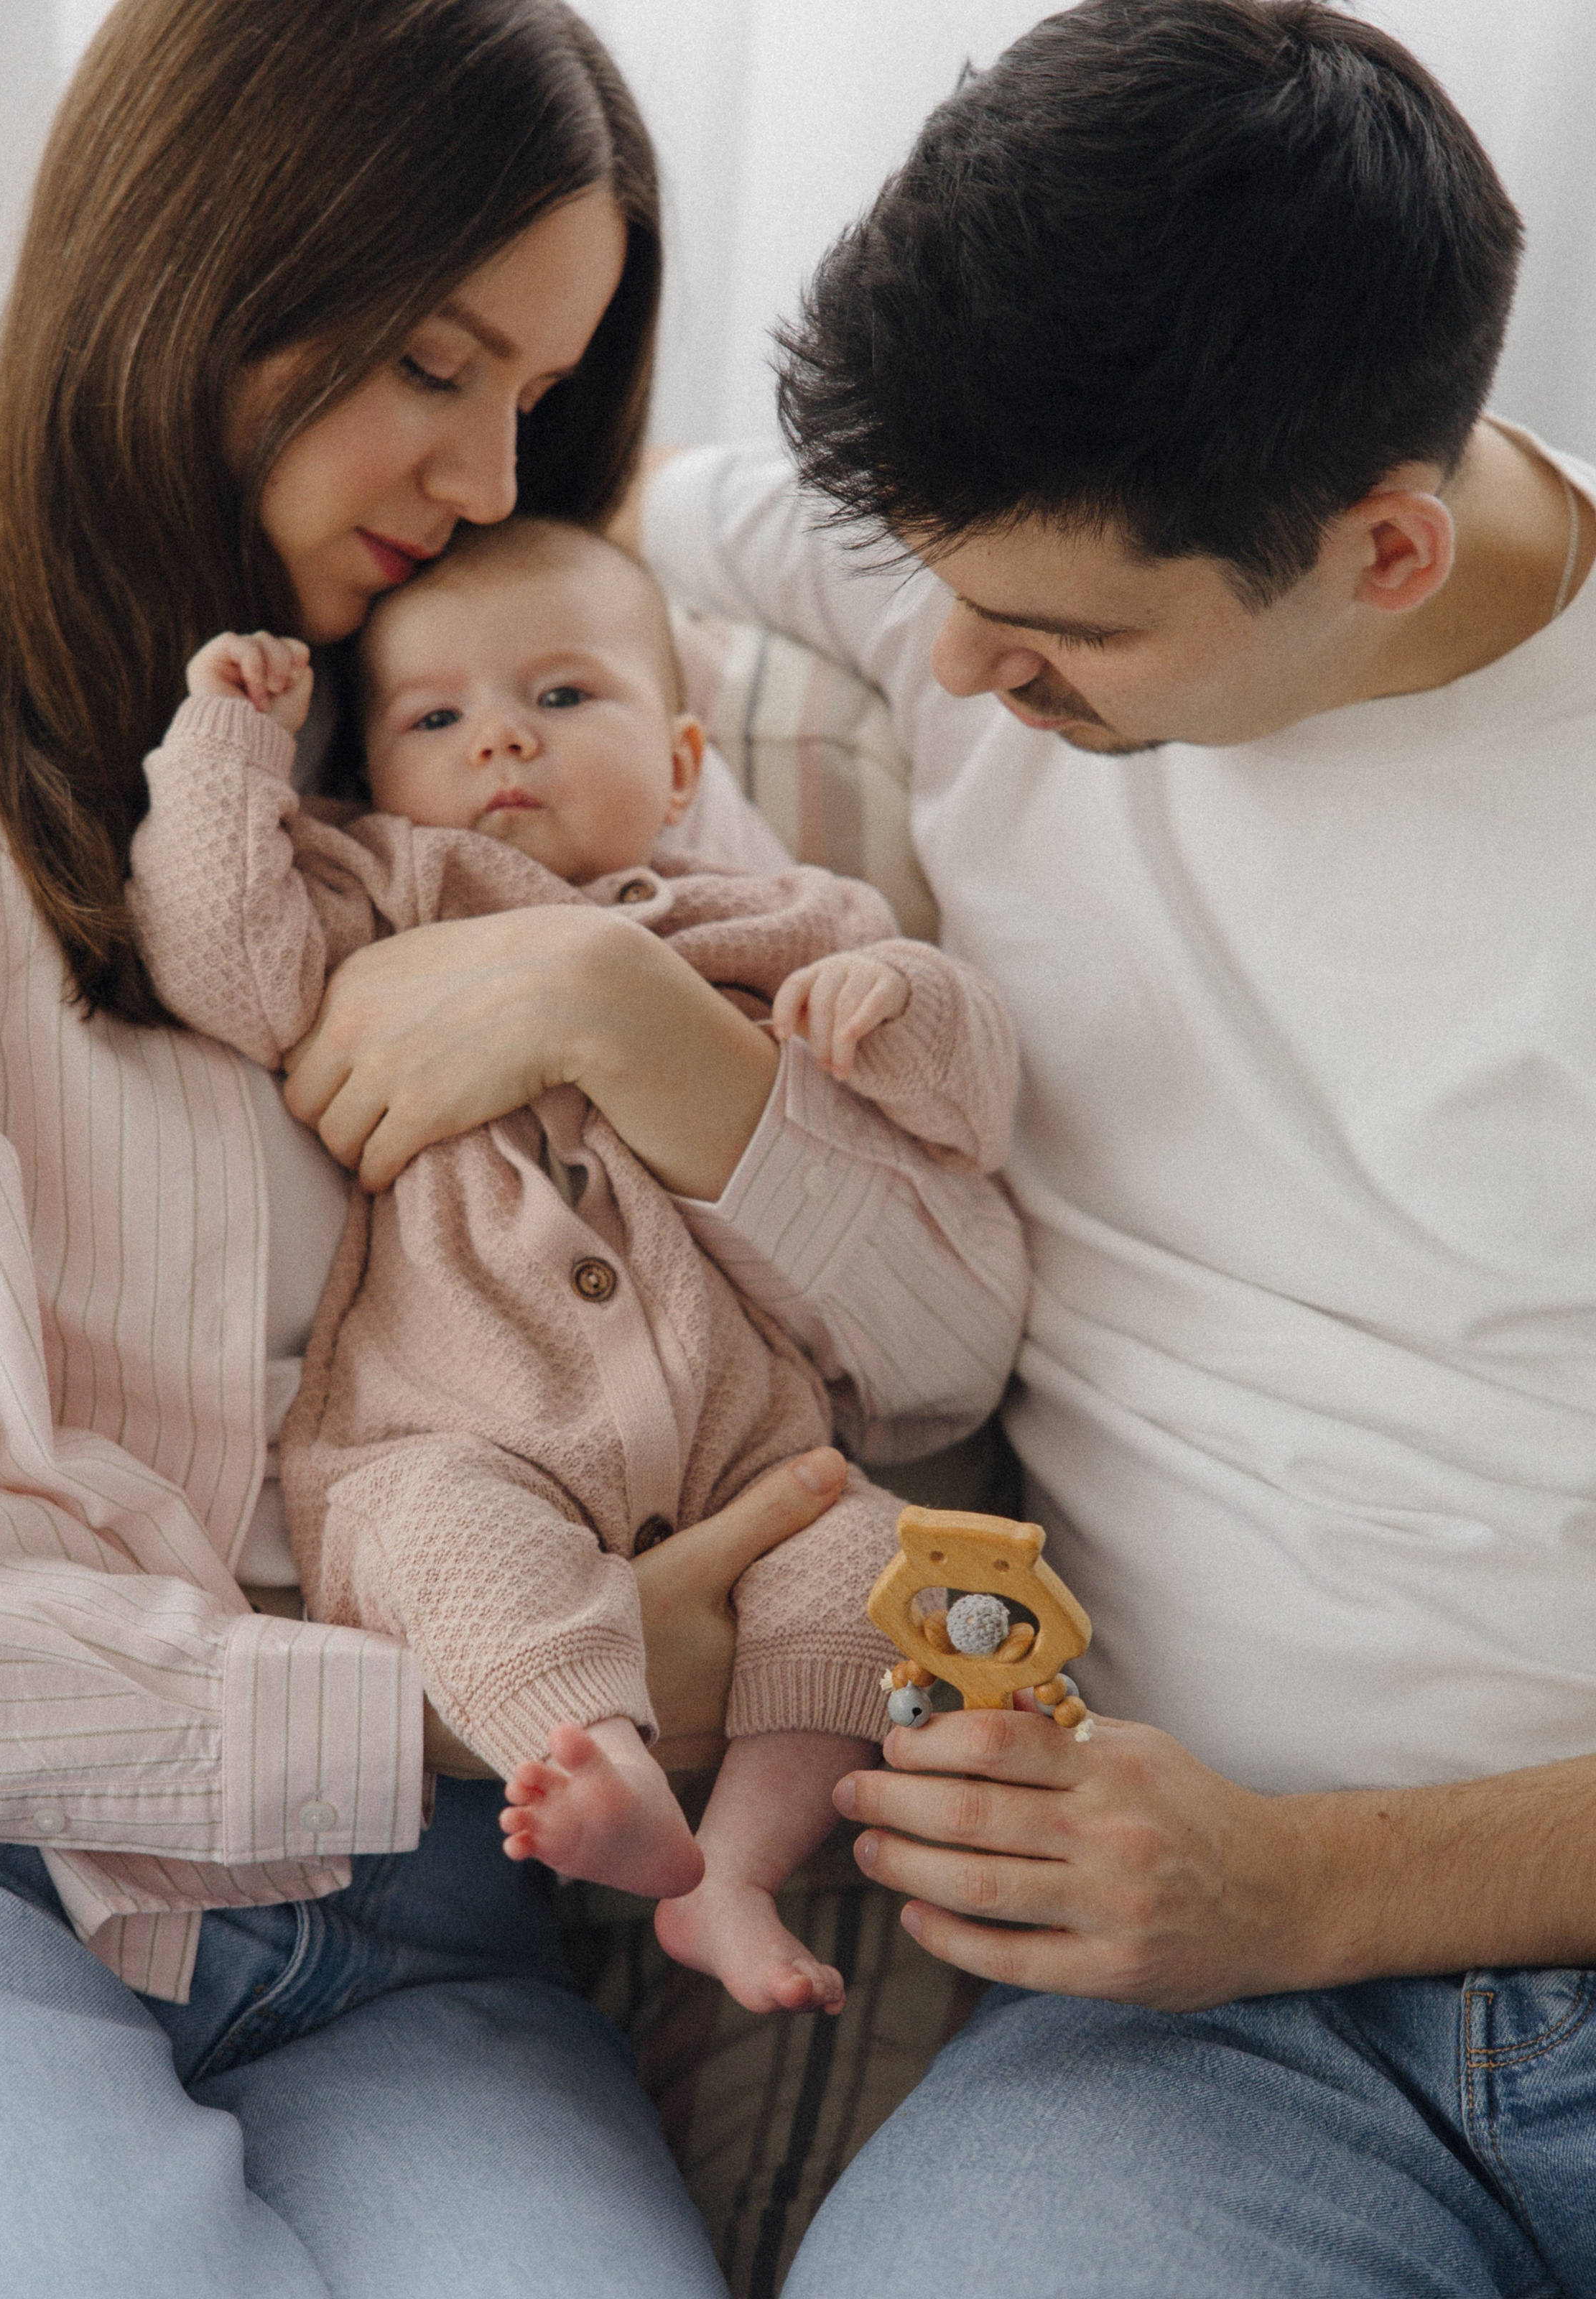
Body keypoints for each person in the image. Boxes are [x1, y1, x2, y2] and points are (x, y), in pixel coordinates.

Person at [0, 4, 1026, 2293]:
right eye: (436, 364)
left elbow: (938, 1352)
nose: (479, 468)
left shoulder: (531, 742)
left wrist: (621, 1016)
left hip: (424, 1932)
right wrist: (454, 1694)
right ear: (201, 266)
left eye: (533, 394)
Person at [628, 1, 1596, 2289]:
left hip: (1314, 1902)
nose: (954, 673)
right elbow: (475, 492)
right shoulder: (1006, 554)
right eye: (932, 576)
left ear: (1380, 549)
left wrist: (1321, 1889)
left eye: (1057, 631)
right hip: (1210, 2054)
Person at [124, 514, 1022, 2014]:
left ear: (678, 765)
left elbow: (968, 1093)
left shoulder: (761, 921)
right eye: (435, 716)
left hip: (751, 1456)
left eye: (559, 698)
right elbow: (224, 964)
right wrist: (227, 749)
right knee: (440, 1537)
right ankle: (593, 1760)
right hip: (458, 1427)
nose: (499, 745)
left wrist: (897, 1001)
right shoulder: (376, 886)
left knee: (869, 1562)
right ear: (370, 768)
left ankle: (731, 1870)